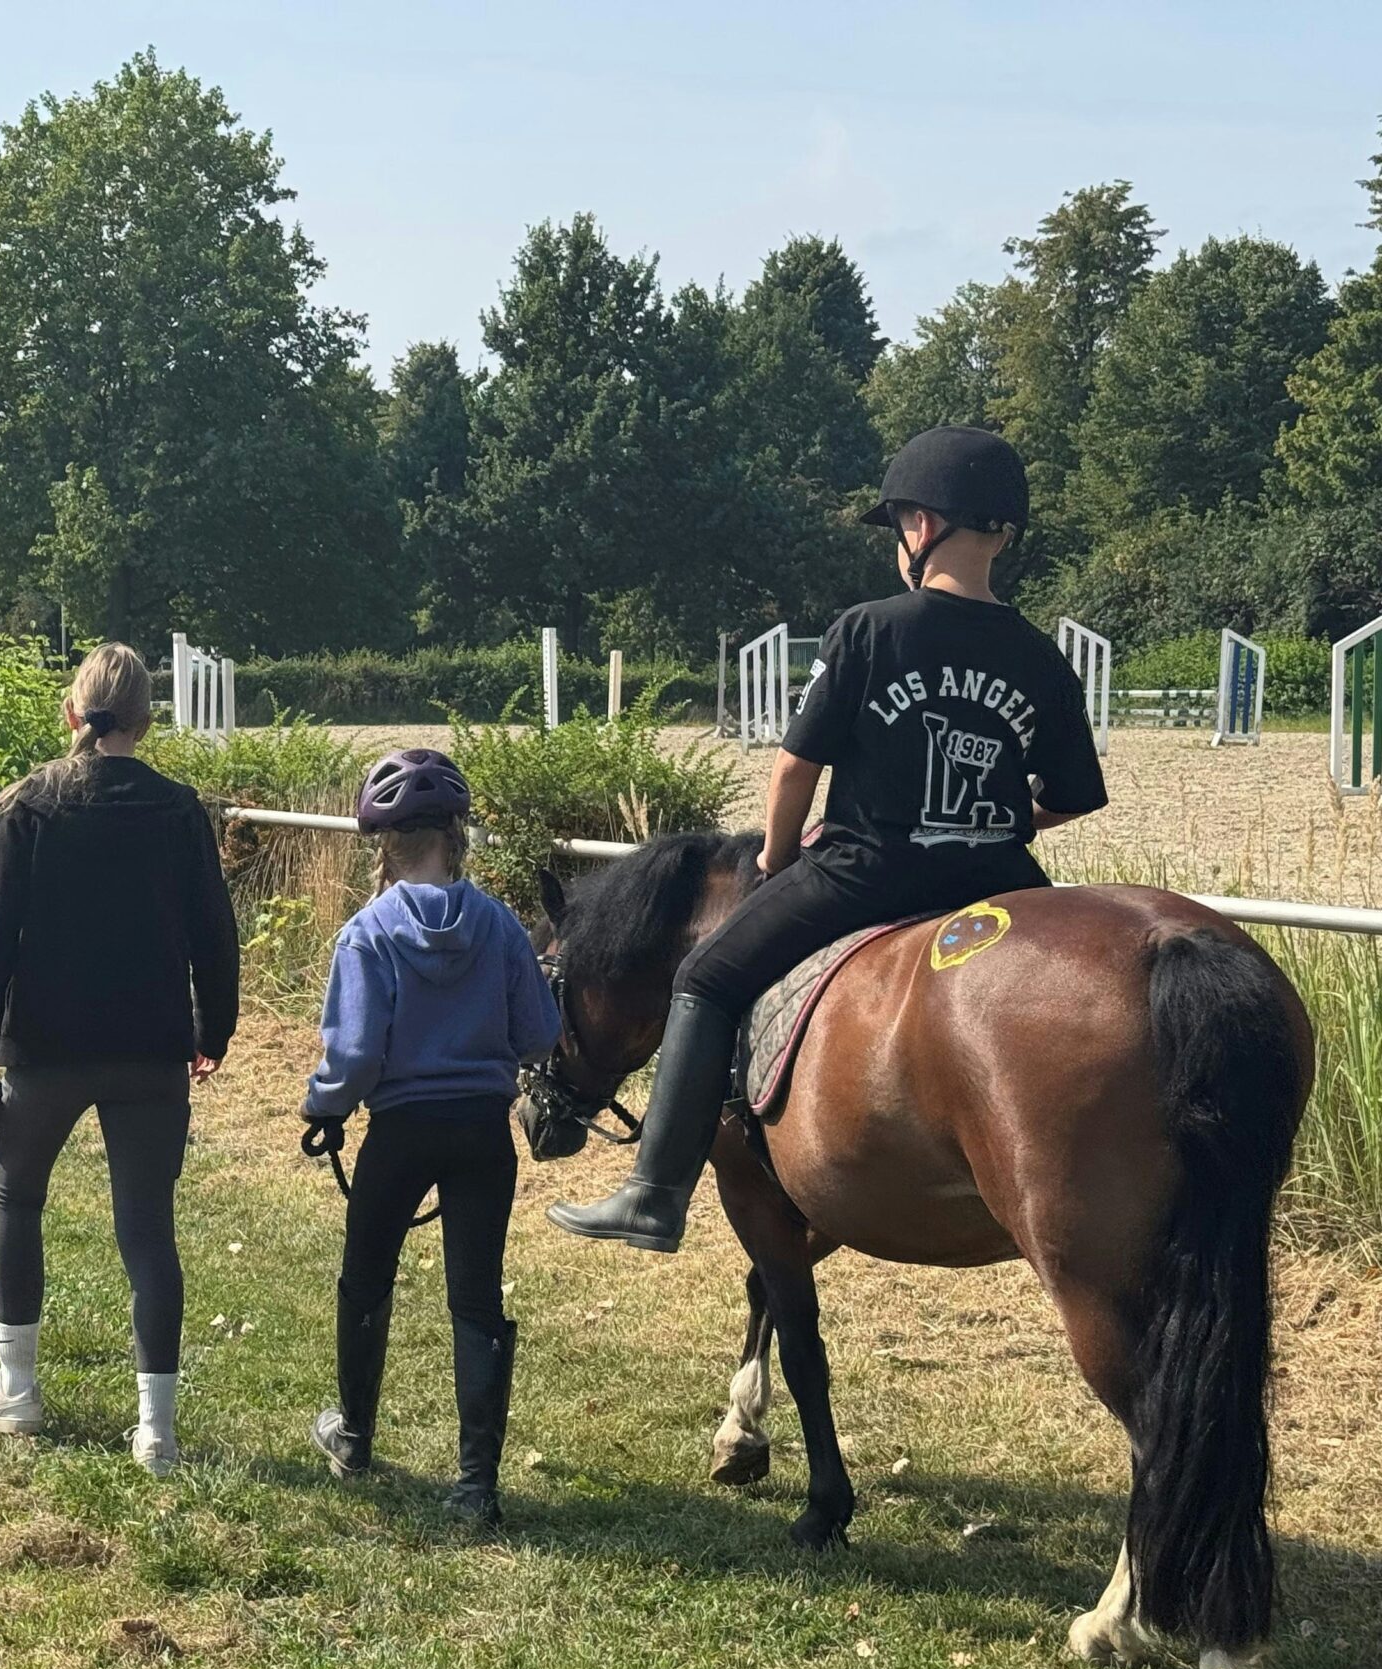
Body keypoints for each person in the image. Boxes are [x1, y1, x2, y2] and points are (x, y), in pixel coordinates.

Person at [549, 424, 1109, 1255]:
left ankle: (653, 1194)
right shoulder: (1040, 655)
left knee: (704, 975)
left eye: (899, 527)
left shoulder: (868, 630)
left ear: (924, 527)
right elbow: (1074, 798)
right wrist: (988, 823)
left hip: (870, 872)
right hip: (1000, 881)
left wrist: (774, 863)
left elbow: (793, 775)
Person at [0, 642, 240, 1477]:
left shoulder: (30, 807)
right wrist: (210, 1034)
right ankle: (158, 1431)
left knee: (18, 1197)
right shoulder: (180, 810)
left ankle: (18, 1390)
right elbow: (213, 939)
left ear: (71, 713)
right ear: (149, 720)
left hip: (44, 1052)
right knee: (149, 1231)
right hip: (151, 1052)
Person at [299, 750, 559, 1524]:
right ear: (456, 835)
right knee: (475, 1294)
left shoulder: (366, 934)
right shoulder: (503, 926)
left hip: (400, 1132)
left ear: (386, 845)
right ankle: (477, 1483)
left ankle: (354, 1435)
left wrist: (323, 1109)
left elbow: (352, 1056)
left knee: (366, 1274)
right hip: (482, 1131)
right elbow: (539, 1034)